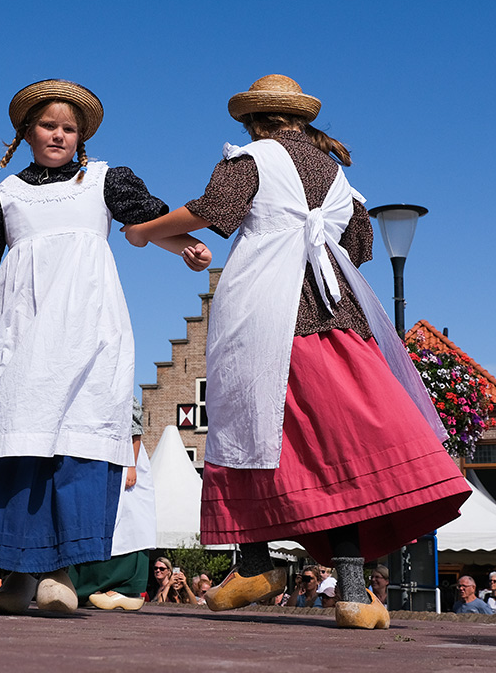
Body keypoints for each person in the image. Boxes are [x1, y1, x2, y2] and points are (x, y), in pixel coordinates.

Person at [123, 74, 471, 630]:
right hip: (338, 317)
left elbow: (215, 210)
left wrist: (143, 231)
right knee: (334, 445)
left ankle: (259, 562)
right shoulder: (338, 175)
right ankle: (354, 592)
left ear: (252, 121)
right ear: (302, 121)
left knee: (250, 427)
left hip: (268, 311)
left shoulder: (251, 159)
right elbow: (359, 248)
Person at [0, 78, 211, 616]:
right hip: (20, 328)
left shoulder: (104, 180)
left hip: (85, 324)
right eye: (48, 125)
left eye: (68, 127)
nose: (58, 134)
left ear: (80, 135)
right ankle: (16, 574)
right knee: (19, 436)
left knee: (74, 440)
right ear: (28, 132)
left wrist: (183, 247)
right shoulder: (7, 193)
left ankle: (60, 573)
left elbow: (147, 220)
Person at [71, 397, 155, 612]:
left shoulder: (121, 387)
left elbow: (134, 428)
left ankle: (126, 588)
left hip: (121, 459)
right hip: (98, 457)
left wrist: (131, 465)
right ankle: (86, 587)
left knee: (127, 521)